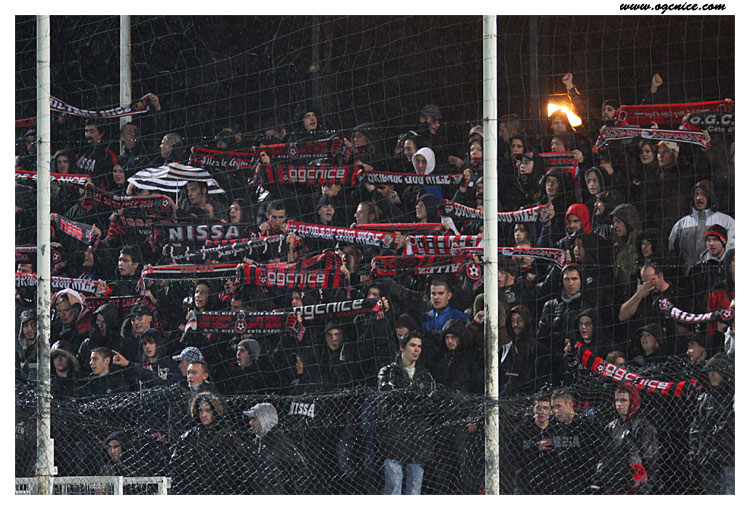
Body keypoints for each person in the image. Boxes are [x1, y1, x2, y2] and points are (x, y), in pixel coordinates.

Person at [377, 332, 436, 495]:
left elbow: (430, 404)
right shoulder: (388, 372)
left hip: (419, 438)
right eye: (412, 345)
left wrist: (404, 403)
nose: (416, 350)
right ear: (402, 347)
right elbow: (388, 398)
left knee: (414, 490)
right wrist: (415, 402)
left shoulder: (425, 375)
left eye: (419, 346)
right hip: (394, 437)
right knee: (394, 488)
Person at [169, 392, 243, 494]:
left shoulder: (227, 438)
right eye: (200, 411)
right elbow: (176, 469)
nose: (203, 414)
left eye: (207, 410)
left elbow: (235, 471)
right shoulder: (188, 438)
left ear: (214, 411)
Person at [594, 385, 659, 494]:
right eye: (616, 400)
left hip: (633, 487)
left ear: (632, 402)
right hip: (611, 486)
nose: (619, 404)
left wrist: (643, 491)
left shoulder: (644, 428)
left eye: (623, 400)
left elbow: (652, 462)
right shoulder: (610, 427)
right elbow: (603, 457)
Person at [689, 353, 734, 494]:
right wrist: (694, 454)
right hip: (707, 461)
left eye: (716, 370)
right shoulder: (704, 398)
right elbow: (695, 429)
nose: (712, 374)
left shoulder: (734, 396)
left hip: (729, 461)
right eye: (709, 371)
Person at [669, 180, 735, 276]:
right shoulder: (681, 225)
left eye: (703, 194)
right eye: (696, 194)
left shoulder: (726, 221)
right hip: (688, 278)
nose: (699, 198)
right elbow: (672, 253)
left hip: (717, 277)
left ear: (710, 196)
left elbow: (733, 251)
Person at [544, 387, 602, 494]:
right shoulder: (551, 427)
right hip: (557, 484)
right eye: (553, 407)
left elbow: (597, 454)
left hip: (582, 483)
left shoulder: (587, 427)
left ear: (570, 404)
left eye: (558, 406)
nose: (555, 411)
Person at [243, 402, 309, 494]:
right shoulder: (258, 442)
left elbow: (301, 470)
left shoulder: (280, 444)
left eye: (254, 418)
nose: (250, 423)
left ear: (264, 419)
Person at [512, 391, 554, 494]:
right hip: (525, 483)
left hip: (550, 485)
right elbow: (513, 455)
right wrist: (536, 448)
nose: (541, 412)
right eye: (538, 408)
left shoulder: (555, 429)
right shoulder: (522, 429)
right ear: (533, 409)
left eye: (545, 408)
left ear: (550, 411)